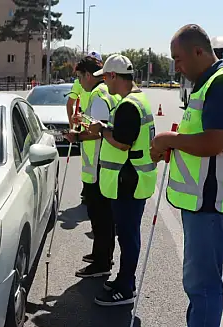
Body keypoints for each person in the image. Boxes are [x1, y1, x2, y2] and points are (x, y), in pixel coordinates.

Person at [148, 24, 223, 327]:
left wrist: (168, 139)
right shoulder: (208, 83)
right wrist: (174, 148)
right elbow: (202, 144)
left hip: (213, 203)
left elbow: (213, 142)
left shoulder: (221, 83)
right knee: (199, 280)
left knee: (203, 283)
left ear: (197, 52)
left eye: (178, 59)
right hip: (206, 201)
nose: (176, 66)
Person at [83, 54, 157, 306]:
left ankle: (126, 287)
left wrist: (101, 130)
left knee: (127, 236)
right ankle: (124, 279)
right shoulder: (138, 100)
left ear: (114, 76)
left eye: (105, 77)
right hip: (134, 179)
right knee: (128, 234)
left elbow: (123, 143)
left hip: (129, 180)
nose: (104, 82)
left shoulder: (128, 105)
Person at [65, 55, 120, 278]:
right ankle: (100, 254)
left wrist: (76, 137)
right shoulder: (106, 92)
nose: (80, 81)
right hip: (101, 165)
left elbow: (98, 133)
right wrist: (83, 121)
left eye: (80, 76)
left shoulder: (98, 95)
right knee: (101, 216)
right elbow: (100, 125)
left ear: (88, 75)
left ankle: (101, 262)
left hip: (98, 166)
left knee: (100, 217)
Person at [67, 51, 103, 199]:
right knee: (88, 163)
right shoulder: (79, 83)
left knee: (98, 163)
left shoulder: (101, 91)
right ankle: (88, 190)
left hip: (95, 130)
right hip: (87, 128)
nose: (80, 81)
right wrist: (73, 125)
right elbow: (70, 103)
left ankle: (94, 193)